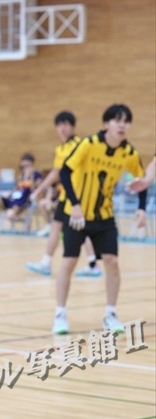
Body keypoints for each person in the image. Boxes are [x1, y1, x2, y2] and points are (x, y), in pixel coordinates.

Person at [52, 104, 147, 334]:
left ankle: (110, 313)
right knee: (69, 262)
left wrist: (142, 208)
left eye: (126, 121)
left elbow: (141, 180)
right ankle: (60, 314)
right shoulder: (89, 144)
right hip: (77, 215)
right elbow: (65, 171)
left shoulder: (129, 153)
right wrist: (75, 204)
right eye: (117, 120)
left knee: (112, 261)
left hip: (104, 217)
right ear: (106, 124)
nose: (122, 125)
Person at [25, 112, 100, 277]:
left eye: (66, 124)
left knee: (80, 229)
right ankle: (46, 263)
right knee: (56, 227)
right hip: (66, 196)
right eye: (59, 125)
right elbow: (56, 172)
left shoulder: (79, 145)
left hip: (79, 197)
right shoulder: (60, 149)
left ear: (72, 127)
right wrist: (39, 189)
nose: (62, 128)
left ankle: (93, 265)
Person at [0, 153, 42, 233]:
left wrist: (31, 176)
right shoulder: (21, 175)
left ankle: (26, 220)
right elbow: (16, 188)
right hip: (12, 199)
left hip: (22, 201)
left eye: (27, 166)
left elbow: (35, 190)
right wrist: (9, 194)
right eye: (23, 166)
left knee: (10, 216)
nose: (25, 168)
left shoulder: (37, 175)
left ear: (31, 164)